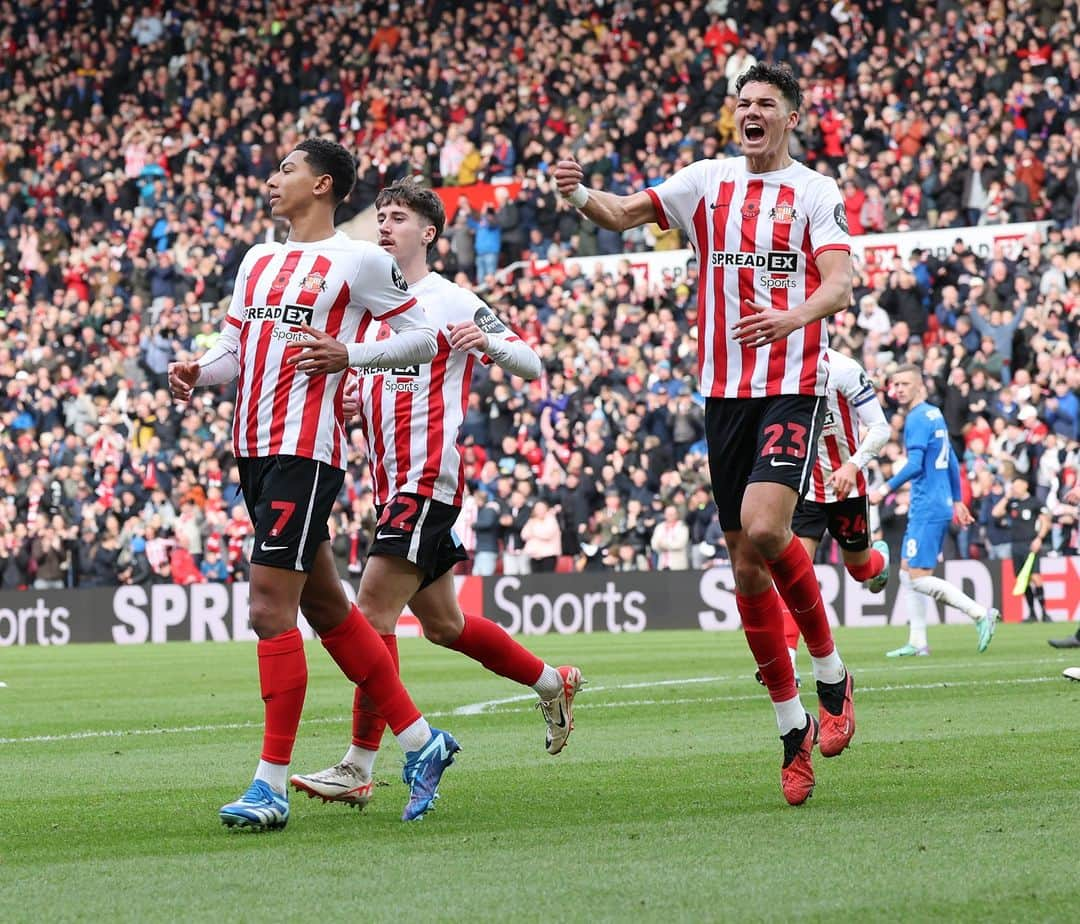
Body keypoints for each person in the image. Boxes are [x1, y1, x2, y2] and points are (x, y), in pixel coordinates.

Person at [554, 62, 855, 807]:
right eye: (742, 103)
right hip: (724, 396)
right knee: (746, 570)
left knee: (764, 526)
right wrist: (578, 194)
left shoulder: (815, 191)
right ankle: (792, 731)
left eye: (766, 105)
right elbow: (623, 213)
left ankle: (831, 670)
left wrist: (792, 317)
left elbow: (841, 282)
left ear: (791, 117)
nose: (751, 113)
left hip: (790, 383)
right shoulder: (706, 180)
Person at [168, 139, 457, 829]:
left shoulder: (358, 260)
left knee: (271, 608)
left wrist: (350, 354)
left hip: (306, 449)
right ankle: (422, 741)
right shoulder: (257, 260)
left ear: (322, 185)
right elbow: (236, 349)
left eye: (286, 169)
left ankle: (267, 787)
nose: (272, 179)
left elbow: (423, 338)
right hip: (253, 451)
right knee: (328, 608)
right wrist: (196, 371)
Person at [289, 179, 581, 811]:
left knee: (369, 616)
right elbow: (374, 389)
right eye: (381, 217)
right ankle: (552, 682)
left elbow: (531, 361)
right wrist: (353, 403)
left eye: (398, 218)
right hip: (389, 484)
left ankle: (360, 764)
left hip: (428, 481)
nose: (384, 226)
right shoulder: (371, 308)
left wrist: (491, 346)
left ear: (428, 233)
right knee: (445, 625)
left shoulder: (450, 300)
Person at [764, 349, 892, 684]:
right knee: (793, 574)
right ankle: (787, 661)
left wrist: (852, 465)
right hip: (805, 490)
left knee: (860, 570)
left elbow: (880, 428)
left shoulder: (845, 370)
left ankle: (880, 561)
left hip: (846, 490)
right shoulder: (779, 370)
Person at [869, 365, 1000, 658]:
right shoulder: (934, 414)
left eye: (904, 384)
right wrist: (956, 499)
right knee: (906, 572)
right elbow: (951, 458)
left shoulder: (916, 418)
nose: (899, 389)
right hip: (936, 502)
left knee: (916, 576)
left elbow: (915, 465)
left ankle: (980, 613)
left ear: (919, 386)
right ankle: (917, 641)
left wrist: (884, 489)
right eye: (896, 384)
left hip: (927, 505)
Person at [991, 477, 1051, 623]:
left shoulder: (1035, 502)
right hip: (1015, 545)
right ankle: (1032, 613)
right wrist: (1006, 497)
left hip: (1030, 544)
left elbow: (1046, 521)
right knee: (1022, 579)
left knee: (1036, 577)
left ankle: (1044, 612)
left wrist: (1039, 538)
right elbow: (995, 513)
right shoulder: (1012, 503)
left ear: (1025, 485)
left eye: (1017, 485)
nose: (1015, 488)